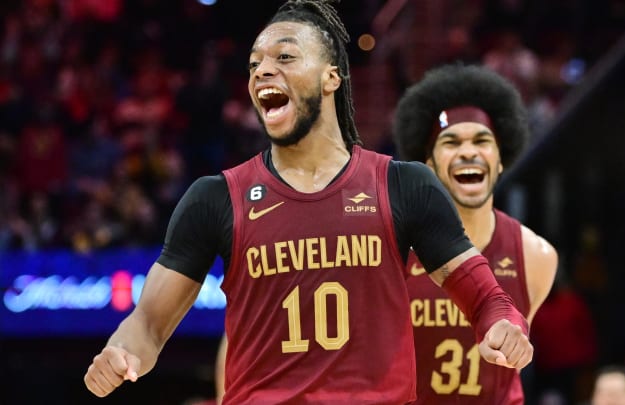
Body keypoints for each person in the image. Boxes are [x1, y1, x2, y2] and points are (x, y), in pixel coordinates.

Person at [82, 1, 534, 404]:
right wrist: (120, 351)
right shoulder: (215, 197)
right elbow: (149, 324)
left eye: (284, 57)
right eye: (255, 63)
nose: (262, 70)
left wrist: (502, 326)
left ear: (331, 76)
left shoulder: (402, 186)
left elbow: (486, 298)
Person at [392, 63, 558, 404]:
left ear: (499, 160)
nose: (469, 151)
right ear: (428, 166)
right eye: (451, 142)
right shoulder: (394, 248)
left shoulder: (536, 255)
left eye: (482, 140)